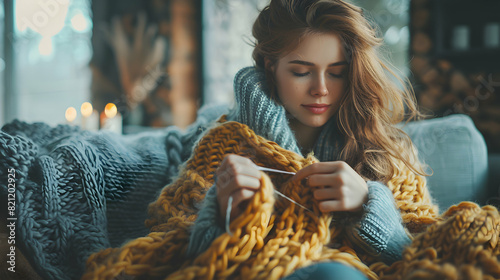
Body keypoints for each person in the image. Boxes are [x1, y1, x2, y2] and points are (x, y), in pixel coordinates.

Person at [185, 0, 428, 279]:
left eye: (337, 73)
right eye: (301, 72)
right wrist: (223, 214)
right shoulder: (222, 146)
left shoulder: (388, 152)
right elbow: (180, 255)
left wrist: (368, 207)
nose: (320, 89)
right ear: (270, 66)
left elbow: (419, 258)